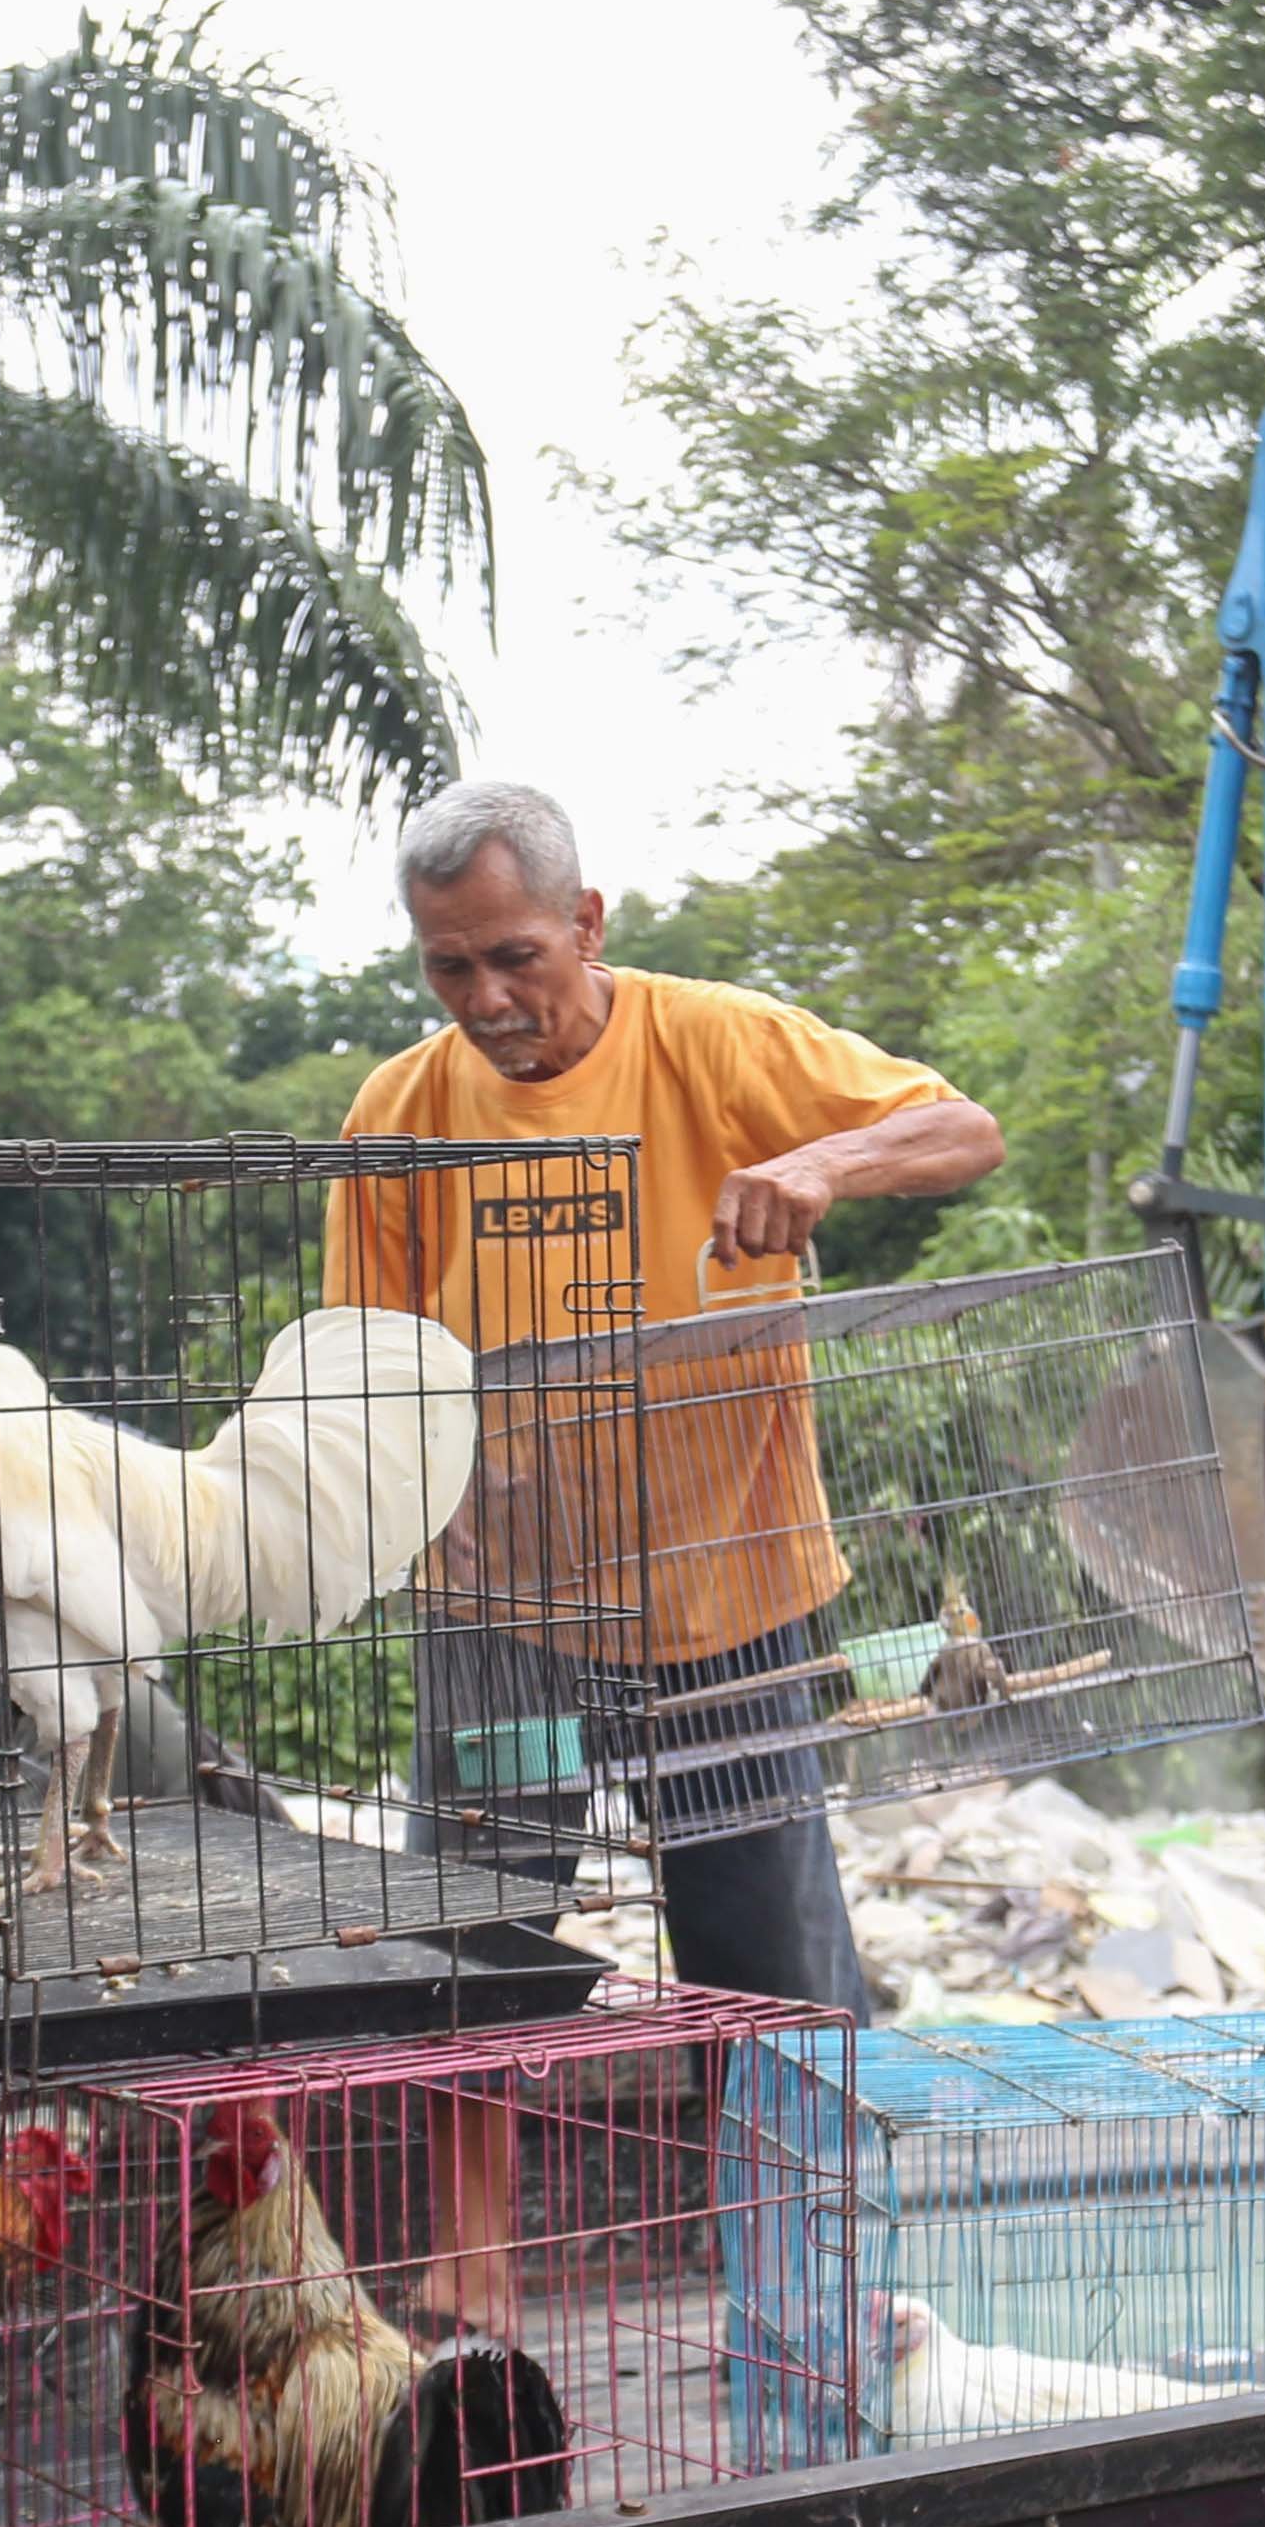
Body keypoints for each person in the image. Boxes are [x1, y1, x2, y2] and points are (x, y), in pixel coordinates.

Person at [331, 779, 1002, 2012]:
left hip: (722, 1595)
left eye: (513, 957)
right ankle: (474, 2201)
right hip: (503, 1616)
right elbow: (364, 1355)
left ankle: (793, 2199)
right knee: (468, 1956)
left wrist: (821, 1161)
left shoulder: (717, 1040)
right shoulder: (401, 1109)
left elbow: (962, 1130)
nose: (484, 1000)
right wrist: (414, 1490)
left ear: (586, 922)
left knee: (766, 1959)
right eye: (448, 968)